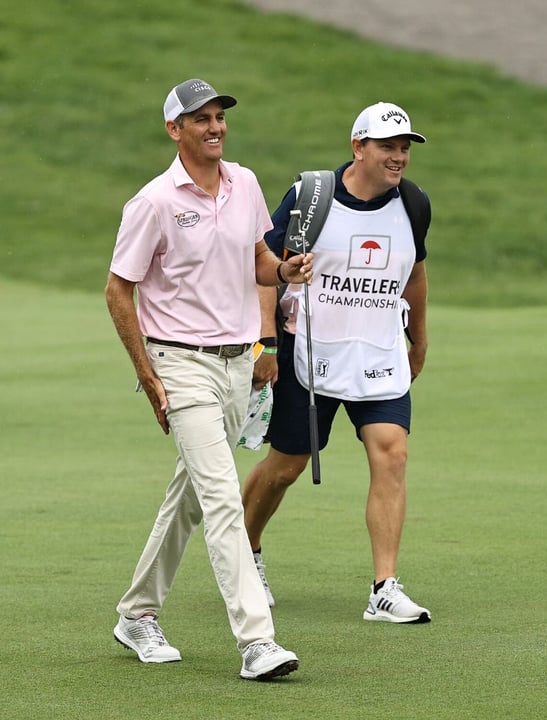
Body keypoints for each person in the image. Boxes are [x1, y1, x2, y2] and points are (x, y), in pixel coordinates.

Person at [105, 78, 312, 680]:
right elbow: (120, 290)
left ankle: (137, 614)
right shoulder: (154, 202)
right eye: (201, 119)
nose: (215, 126)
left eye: (219, 116)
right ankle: (257, 642)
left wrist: (287, 269)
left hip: (237, 365)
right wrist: (147, 375)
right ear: (175, 130)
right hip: (180, 363)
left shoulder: (244, 183)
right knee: (223, 498)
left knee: (191, 497)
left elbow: (258, 262)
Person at [241, 102, 432, 624]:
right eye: (387, 147)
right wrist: (266, 345)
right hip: (308, 351)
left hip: (379, 350)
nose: (397, 157)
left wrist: (419, 338)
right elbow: (266, 268)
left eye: (404, 148)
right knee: (286, 466)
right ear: (358, 147)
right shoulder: (310, 197)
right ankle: (245, 553)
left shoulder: (413, 204)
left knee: (391, 453)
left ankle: (384, 588)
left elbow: (414, 273)